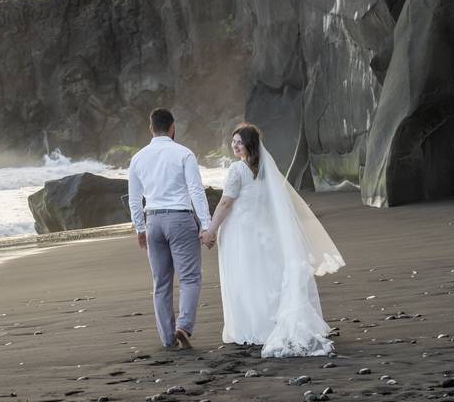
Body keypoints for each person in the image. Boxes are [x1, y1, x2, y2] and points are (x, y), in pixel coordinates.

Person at [201, 123, 344, 357]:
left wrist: (210, 231)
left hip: (241, 232)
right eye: (233, 141)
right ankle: (270, 323)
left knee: (246, 277)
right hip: (265, 232)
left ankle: (253, 327)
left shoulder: (237, 170)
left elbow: (226, 202)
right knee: (266, 276)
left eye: (240, 141)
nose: (235, 145)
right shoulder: (267, 169)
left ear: (250, 144)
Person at [128, 108, 212, 349]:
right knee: (190, 277)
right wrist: (205, 224)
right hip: (180, 219)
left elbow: (135, 198)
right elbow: (196, 190)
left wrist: (139, 228)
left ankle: (167, 338)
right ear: (173, 127)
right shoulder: (184, 154)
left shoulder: (138, 158)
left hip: (153, 220)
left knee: (161, 282)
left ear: (151, 128)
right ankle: (183, 326)